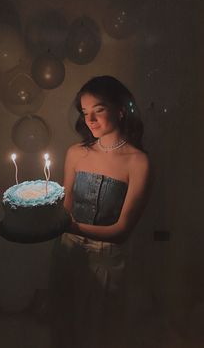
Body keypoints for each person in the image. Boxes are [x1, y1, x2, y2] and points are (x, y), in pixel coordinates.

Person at [48, 75, 151, 348]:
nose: (90, 120)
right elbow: (65, 206)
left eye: (99, 110)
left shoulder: (138, 162)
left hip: (107, 259)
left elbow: (122, 231)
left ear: (120, 109)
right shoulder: (75, 153)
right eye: (85, 113)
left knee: (99, 328)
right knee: (65, 324)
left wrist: (70, 226)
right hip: (69, 251)